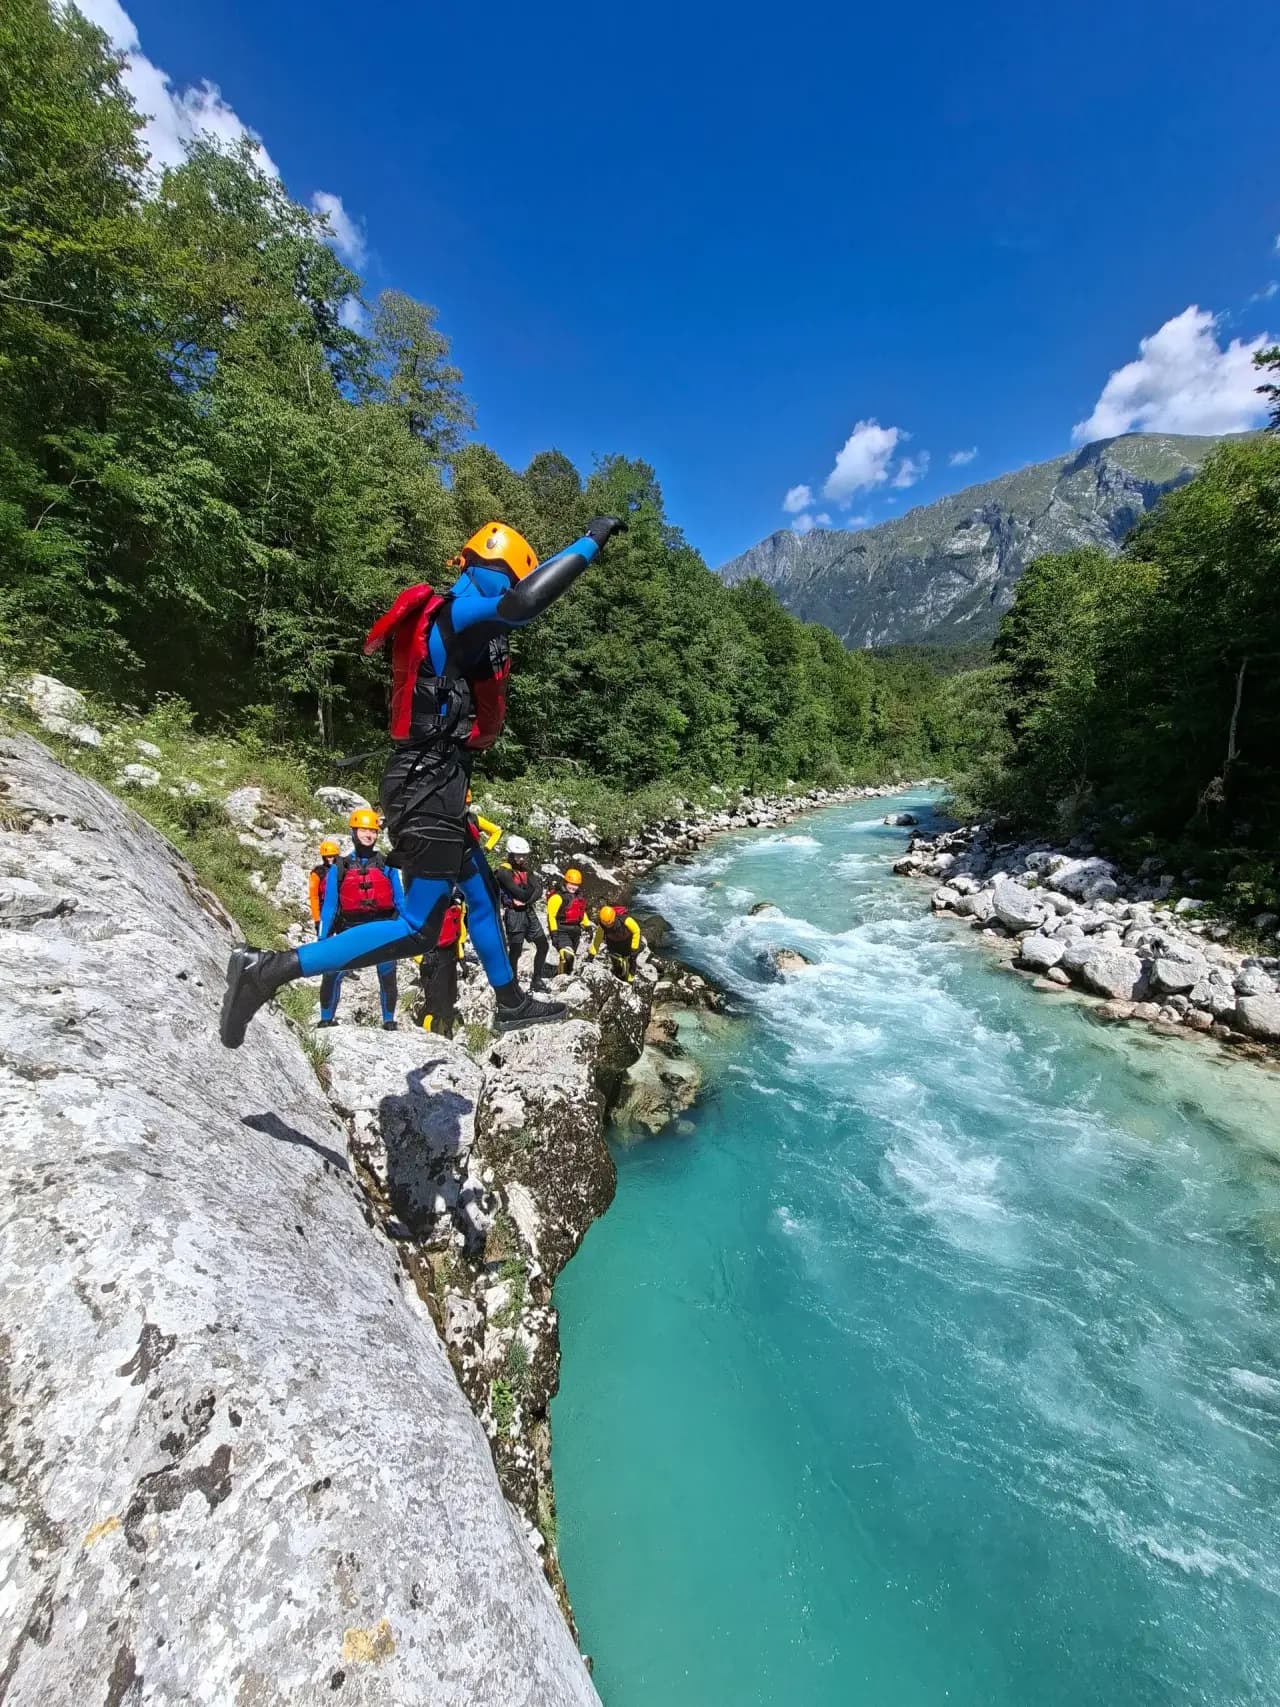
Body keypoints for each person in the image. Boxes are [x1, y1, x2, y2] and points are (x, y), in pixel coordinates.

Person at [220, 515, 625, 1048]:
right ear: (491, 573)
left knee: (480, 895)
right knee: (418, 927)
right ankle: (265, 972)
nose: (508, 594)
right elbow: (525, 606)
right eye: (508, 582)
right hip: (427, 790)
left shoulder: (453, 621)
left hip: (438, 787)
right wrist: (591, 539)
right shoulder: (459, 612)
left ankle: (511, 1003)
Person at [317, 809, 402, 1031]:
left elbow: (400, 901)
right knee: (332, 972)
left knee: (387, 973)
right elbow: (330, 906)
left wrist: (408, 930)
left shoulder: (387, 864)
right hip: (350, 928)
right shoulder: (340, 867)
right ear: (353, 832)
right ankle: (326, 1019)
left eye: (372, 831)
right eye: (363, 830)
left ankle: (389, 1020)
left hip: (382, 927)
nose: (368, 835)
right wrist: (323, 937)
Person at [494, 834, 551, 991]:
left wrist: (527, 898)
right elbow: (523, 893)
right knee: (516, 949)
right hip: (514, 914)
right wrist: (529, 893)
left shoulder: (526, 871)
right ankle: (513, 982)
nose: (521, 859)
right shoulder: (503, 872)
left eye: (523, 856)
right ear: (510, 854)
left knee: (543, 945)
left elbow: (537, 891)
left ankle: (537, 980)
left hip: (527, 910)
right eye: (518, 856)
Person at [418, 891, 465, 1037]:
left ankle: (447, 1032)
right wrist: (421, 958)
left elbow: (460, 927)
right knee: (434, 1006)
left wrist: (461, 956)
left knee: (449, 998)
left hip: (450, 954)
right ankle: (428, 1037)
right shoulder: (422, 902)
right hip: (432, 955)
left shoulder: (456, 903)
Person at [546, 866, 592, 976]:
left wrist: (588, 926)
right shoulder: (557, 897)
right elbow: (551, 916)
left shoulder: (578, 896)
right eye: (571, 884)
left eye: (576, 885)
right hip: (561, 930)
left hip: (575, 931)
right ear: (566, 882)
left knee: (569, 960)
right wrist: (554, 933)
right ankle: (561, 980)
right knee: (567, 955)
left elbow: (582, 912)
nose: (573, 887)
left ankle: (563, 975)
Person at [591, 902, 642, 982]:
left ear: (614, 918)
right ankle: (618, 976)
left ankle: (630, 978)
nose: (608, 926)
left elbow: (636, 930)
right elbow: (598, 938)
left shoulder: (625, 919)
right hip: (613, 943)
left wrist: (634, 948)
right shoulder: (602, 924)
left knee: (631, 960)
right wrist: (592, 953)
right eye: (606, 924)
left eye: (610, 923)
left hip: (627, 941)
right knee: (616, 960)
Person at [308, 839, 341, 936]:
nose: (331, 859)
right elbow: (314, 896)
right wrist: (317, 919)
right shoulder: (318, 872)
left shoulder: (341, 869)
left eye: (333, 856)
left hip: (341, 911)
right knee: (325, 938)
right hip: (324, 910)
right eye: (328, 856)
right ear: (323, 857)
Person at [466, 788, 502, 853]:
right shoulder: (473, 818)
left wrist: (487, 848)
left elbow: (497, 831)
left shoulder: (473, 818)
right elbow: (497, 831)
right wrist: (487, 847)